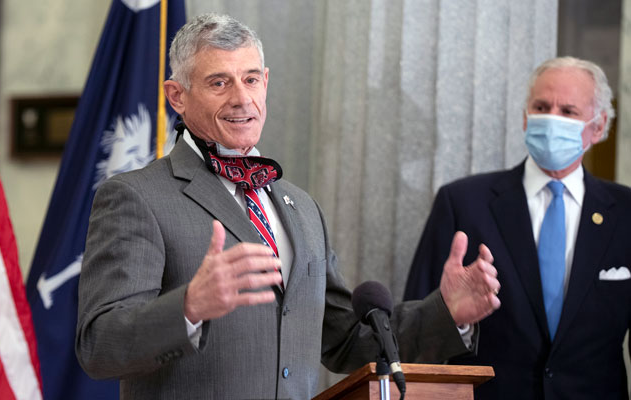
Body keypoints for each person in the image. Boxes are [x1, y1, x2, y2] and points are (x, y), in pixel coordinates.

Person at [76, 13, 500, 399]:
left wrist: (445, 314)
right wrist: (189, 306)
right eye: (219, 82)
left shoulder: (300, 207)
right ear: (177, 96)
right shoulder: (136, 196)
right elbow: (99, 346)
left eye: (251, 79)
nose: (242, 99)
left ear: (266, 82)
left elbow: (345, 340)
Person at [404, 56, 631, 400]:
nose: (551, 119)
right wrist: (456, 320)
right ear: (526, 118)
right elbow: (414, 331)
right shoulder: (463, 202)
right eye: (541, 106)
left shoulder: (626, 212)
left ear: (598, 128)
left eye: (568, 111)